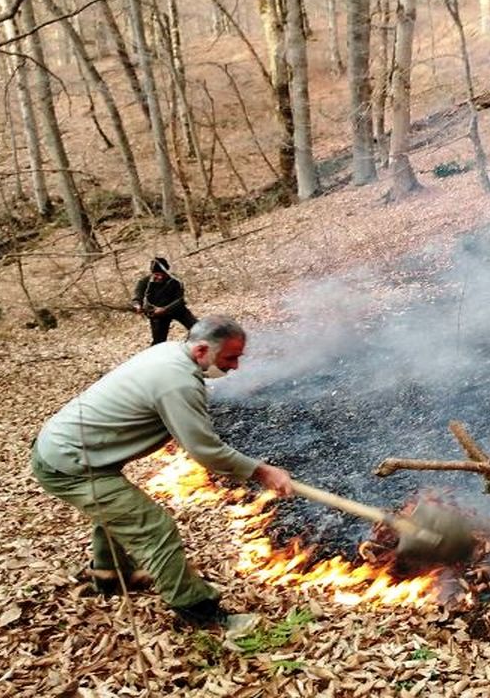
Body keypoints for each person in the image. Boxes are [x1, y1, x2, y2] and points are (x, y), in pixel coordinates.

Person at [30, 315, 294, 629]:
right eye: (230, 358)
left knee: (118, 512)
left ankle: (111, 575)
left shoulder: (170, 352)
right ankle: (199, 611)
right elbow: (205, 450)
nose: (235, 366)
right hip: (69, 465)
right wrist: (262, 472)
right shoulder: (178, 381)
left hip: (72, 452)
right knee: (154, 528)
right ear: (201, 351)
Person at [132, 257, 198, 345]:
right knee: (159, 341)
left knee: (197, 328)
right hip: (157, 315)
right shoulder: (144, 282)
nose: (160, 277)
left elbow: (180, 300)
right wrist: (137, 305)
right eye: (157, 274)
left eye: (162, 274)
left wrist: (166, 309)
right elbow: (137, 296)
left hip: (177, 310)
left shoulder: (175, 280)